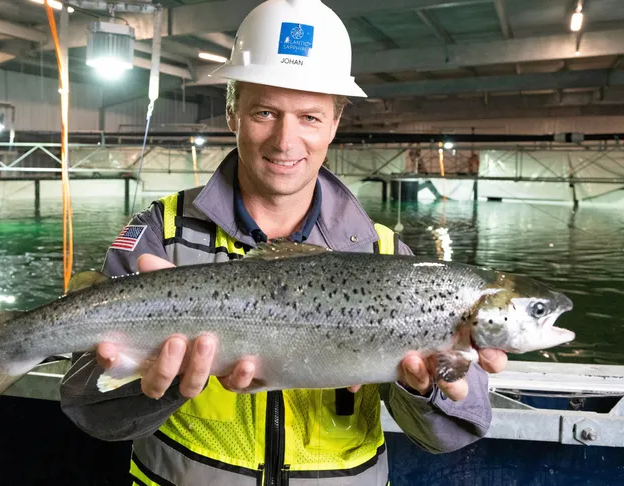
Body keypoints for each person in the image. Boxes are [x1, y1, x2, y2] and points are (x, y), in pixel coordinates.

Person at [60, 1, 506, 484]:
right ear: (232, 112)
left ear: (335, 124)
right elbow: (89, 408)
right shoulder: (157, 236)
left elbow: (454, 433)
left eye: (310, 117)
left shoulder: (384, 256)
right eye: (266, 111)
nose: (284, 141)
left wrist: (425, 389)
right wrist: (162, 385)